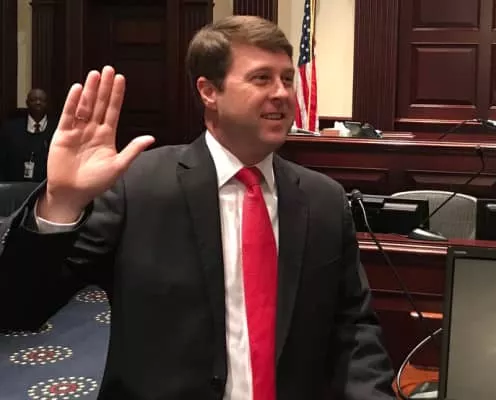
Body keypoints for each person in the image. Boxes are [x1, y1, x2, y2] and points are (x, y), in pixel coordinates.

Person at [0, 15, 395, 400]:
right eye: (262, 78)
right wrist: (62, 202)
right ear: (209, 92)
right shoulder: (138, 187)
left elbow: (353, 329)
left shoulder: (324, 199)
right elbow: (20, 306)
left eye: (287, 79)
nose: (282, 93)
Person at [0, 88, 58, 182]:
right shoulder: (10, 129)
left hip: (47, 184)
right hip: (16, 185)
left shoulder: (57, 130)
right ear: (27, 103)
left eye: (42, 100)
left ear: (47, 104)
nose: (38, 102)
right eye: (33, 100)